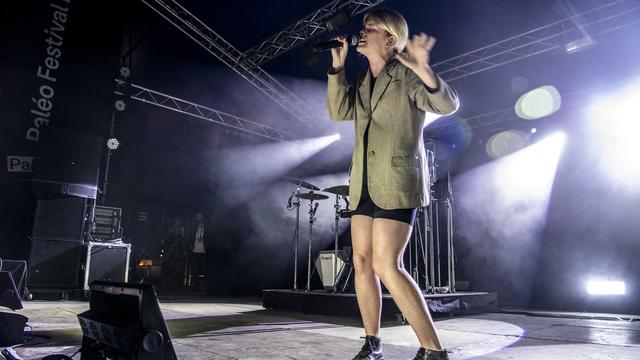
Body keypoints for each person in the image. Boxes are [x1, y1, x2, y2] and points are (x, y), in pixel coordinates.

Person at [326, 9, 459, 360]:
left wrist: (421, 66)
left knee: (387, 264)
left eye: (369, 28)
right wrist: (338, 67)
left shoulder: (406, 76)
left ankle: (433, 351)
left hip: (397, 179)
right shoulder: (362, 80)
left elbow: (447, 104)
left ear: (389, 38)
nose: (361, 33)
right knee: (362, 260)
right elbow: (339, 111)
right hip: (365, 182)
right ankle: (372, 343)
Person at [191, 212, 208, 295]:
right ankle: (194, 290)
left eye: (200, 216)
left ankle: (204, 290)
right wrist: (191, 246)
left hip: (203, 252)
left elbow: (209, 238)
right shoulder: (194, 228)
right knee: (195, 272)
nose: (198, 218)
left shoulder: (206, 228)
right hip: (195, 252)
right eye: (197, 216)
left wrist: (204, 241)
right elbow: (190, 237)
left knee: (203, 272)